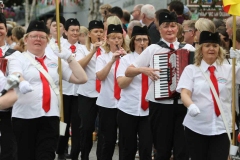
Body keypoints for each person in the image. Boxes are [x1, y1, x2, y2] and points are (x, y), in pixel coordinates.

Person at [8, 20, 87, 160]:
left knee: (47, 155)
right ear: (26, 39)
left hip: (50, 116)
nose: (38, 39)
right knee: (25, 156)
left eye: (42, 36)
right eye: (34, 36)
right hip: (25, 116)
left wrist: (69, 58)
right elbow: (15, 73)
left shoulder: (55, 60)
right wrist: (22, 82)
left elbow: (81, 78)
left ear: (47, 39)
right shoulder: (17, 57)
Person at [125, 11, 195, 160]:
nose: (169, 29)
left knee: (183, 150)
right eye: (165, 26)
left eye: (172, 26)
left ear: (177, 28)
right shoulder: (153, 49)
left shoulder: (189, 49)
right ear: (159, 29)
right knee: (162, 150)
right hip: (160, 105)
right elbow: (128, 71)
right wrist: (142, 69)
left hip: (184, 104)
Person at [176, 31, 235, 160]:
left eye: (214, 46)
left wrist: (239, 58)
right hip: (197, 127)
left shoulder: (230, 70)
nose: (211, 49)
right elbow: (185, 93)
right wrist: (190, 105)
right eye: (207, 45)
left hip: (222, 127)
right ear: (201, 49)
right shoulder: (191, 70)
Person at [117, 25, 152, 160]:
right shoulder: (126, 60)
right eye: (138, 40)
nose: (142, 43)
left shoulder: (154, 59)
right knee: (128, 148)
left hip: (148, 110)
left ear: (149, 41)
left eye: (145, 40)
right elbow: (121, 83)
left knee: (146, 148)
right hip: (128, 109)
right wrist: (138, 69)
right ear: (133, 42)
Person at [96, 24, 128, 160]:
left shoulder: (129, 56)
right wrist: (111, 61)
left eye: (119, 38)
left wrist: (126, 60)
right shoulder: (102, 57)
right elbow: (100, 76)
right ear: (107, 40)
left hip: (124, 103)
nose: (116, 41)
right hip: (107, 103)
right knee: (108, 139)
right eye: (113, 38)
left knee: (125, 140)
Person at [77, 20, 105, 160]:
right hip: (87, 94)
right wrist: (93, 50)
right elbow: (78, 66)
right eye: (96, 32)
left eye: (101, 31)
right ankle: (85, 155)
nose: (99, 34)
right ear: (89, 34)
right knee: (86, 128)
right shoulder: (82, 49)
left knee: (104, 130)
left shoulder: (107, 49)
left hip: (104, 94)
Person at [56, 18, 82, 160]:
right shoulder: (59, 47)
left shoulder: (83, 48)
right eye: (72, 30)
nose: (75, 33)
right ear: (65, 31)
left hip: (78, 92)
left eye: (77, 30)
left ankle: (75, 153)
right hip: (64, 91)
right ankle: (61, 149)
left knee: (77, 124)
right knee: (63, 124)